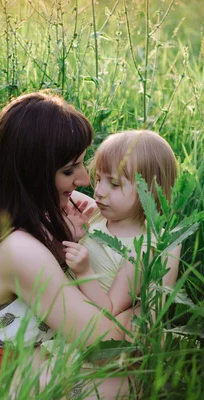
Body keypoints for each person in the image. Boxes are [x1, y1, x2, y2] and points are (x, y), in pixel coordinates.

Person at [0, 92, 131, 400]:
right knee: (128, 379)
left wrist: (71, 235)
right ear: (33, 175)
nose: (85, 179)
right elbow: (107, 348)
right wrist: (142, 309)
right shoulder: (19, 251)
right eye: (69, 170)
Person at [62, 130, 182, 316]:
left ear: (149, 192)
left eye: (115, 184)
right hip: (53, 302)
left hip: (77, 322)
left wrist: (85, 273)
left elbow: (110, 310)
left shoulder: (140, 250)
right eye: (99, 179)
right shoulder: (97, 214)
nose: (99, 191)